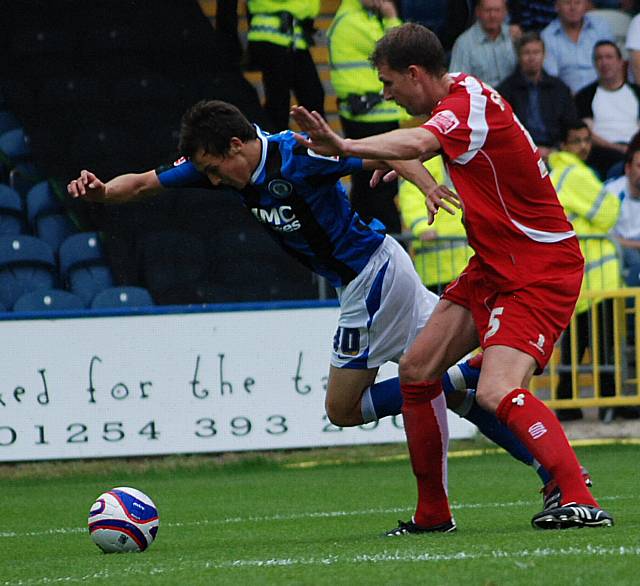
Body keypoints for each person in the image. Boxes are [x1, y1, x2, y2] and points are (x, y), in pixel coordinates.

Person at [67, 99, 559, 497]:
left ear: (237, 145)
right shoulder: (214, 161)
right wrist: (102, 193)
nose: (213, 181)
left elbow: (387, 151)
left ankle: (455, 377)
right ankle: (550, 473)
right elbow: (146, 183)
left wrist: (428, 185)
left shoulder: (299, 155)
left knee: (344, 409)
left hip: (372, 276)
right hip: (373, 275)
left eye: (217, 170)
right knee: (463, 397)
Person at [291, 22, 612, 533]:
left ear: (415, 74)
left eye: (389, 83)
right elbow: (435, 141)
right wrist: (410, 161)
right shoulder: (462, 96)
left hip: (537, 267)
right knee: (418, 369)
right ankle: (433, 515)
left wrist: (347, 144)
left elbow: (423, 136)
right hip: (494, 263)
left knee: (495, 390)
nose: (384, 92)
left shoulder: (462, 108)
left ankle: (578, 497)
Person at [547, 121, 628, 422]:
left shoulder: (561, 174)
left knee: (578, 346)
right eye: (576, 141)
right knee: (603, 346)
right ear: (564, 146)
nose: (583, 146)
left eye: (586, 140)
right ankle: (611, 404)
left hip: (579, 278)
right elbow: (609, 214)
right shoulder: (575, 174)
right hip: (596, 278)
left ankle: (569, 403)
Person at [328, 0, 407, 236]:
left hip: (371, 115)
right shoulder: (351, 21)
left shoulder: (365, 18)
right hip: (370, 118)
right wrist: (392, 15)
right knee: (379, 188)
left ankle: (364, 241)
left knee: (366, 188)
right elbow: (401, 51)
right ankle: (391, 245)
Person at [246, 0, 325, 132]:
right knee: (278, 103)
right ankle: (276, 147)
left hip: (294, 37)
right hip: (271, 36)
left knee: (313, 96)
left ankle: (319, 145)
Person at [497, 31, 577, 160]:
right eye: (526, 53)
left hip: (557, 152)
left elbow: (570, 124)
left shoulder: (559, 88)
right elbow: (504, 131)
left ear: (544, 55)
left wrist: (556, 150)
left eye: (536, 52)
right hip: (520, 154)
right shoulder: (506, 90)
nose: (532, 58)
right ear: (518, 56)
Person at [398, 156, 472, 294]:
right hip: (435, 268)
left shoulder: (466, 158)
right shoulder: (422, 163)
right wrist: (422, 227)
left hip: (468, 263)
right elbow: (411, 196)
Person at [575, 40, 640, 178]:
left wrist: (632, 149)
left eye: (609, 57)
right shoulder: (585, 96)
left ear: (621, 62)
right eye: (599, 58)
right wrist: (619, 149)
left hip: (635, 151)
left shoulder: (636, 92)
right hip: (602, 154)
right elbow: (586, 133)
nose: (604, 62)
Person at [541, 0, 613, 94]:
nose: (573, 7)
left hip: (604, 93)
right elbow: (553, 78)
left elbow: (613, 65)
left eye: (578, 2)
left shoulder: (600, 27)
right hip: (568, 99)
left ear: (586, 5)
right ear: (556, 6)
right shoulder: (547, 36)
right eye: (567, 3)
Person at [449, 0, 517, 88]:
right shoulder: (464, 44)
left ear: (505, 12)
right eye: (488, 10)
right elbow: (457, 83)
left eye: (497, 10)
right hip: (482, 99)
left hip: (514, 99)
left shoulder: (514, 36)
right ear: (478, 12)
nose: (492, 15)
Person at [607, 140, 640, 270]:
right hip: (619, 249)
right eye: (639, 166)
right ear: (628, 168)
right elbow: (605, 236)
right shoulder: (611, 192)